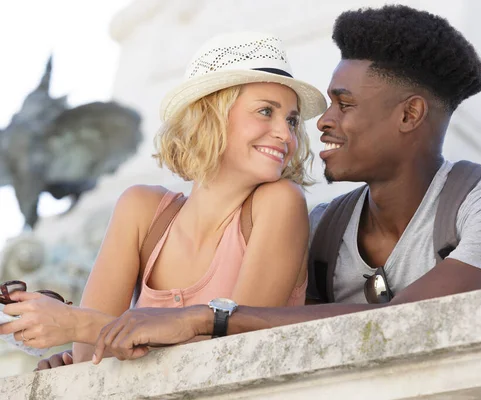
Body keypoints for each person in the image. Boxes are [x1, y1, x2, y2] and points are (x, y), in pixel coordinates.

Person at [45, 4, 481, 366]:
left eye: (343, 104)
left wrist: (204, 318)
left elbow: (403, 318)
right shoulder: (325, 228)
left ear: (410, 113)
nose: (316, 124)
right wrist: (87, 351)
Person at [0, 31, 327, 363]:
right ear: (212, 113)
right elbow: (88, 359)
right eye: (265, 112)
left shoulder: (280, 203)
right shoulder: (141, 210)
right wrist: (84, 331)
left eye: (291, 120)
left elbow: (238, 351)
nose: (285, 134)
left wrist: (81, 324)